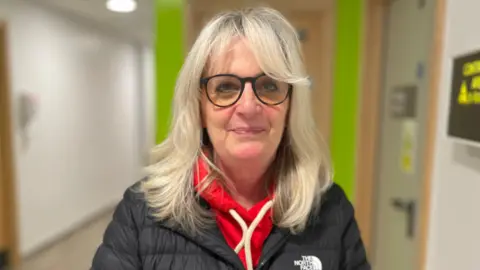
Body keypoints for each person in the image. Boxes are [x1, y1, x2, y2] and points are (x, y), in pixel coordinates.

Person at [91, 6, 370, 270]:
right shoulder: (140, 213)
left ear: (291, 106)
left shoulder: (331, 209)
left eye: (269, 85)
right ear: (198, 106)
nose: (248, 107)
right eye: (225, 87)